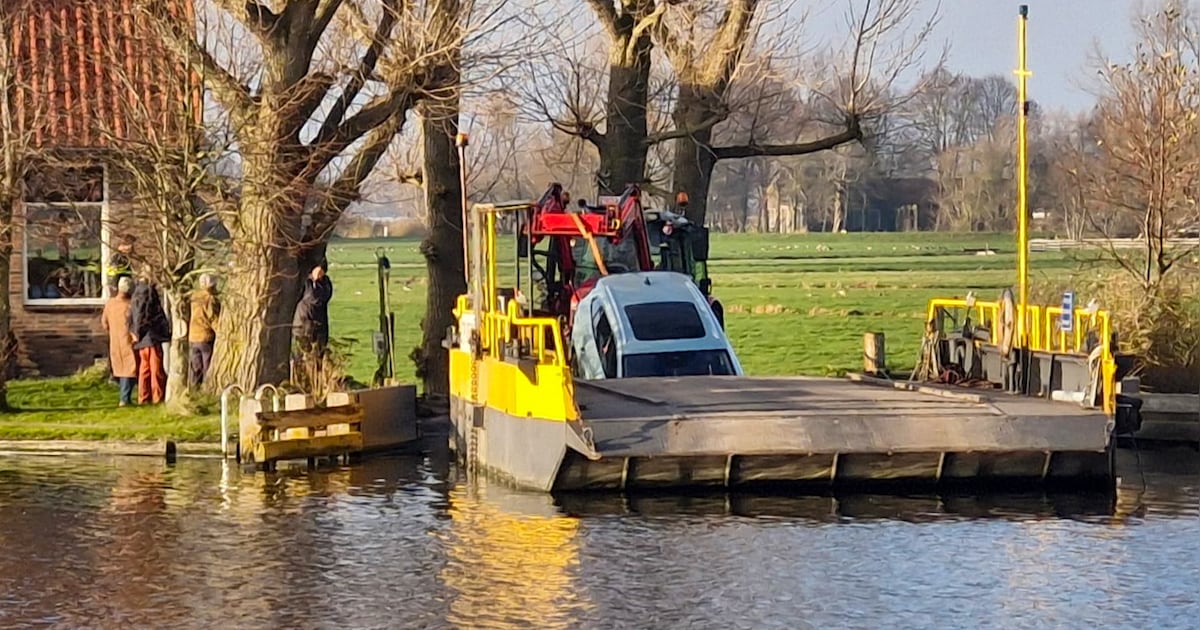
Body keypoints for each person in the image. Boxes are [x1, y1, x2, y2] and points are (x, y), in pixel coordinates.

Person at [127, 278, 171, 404]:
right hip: (150, 336)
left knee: (144, 369)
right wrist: (138, 331)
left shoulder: (136, 292)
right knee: (155, 368)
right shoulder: (148, 292)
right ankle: (157, 396)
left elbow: (133, 315)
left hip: (143, 338)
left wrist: (135, 332)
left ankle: (143, 397)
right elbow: (141, 314)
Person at [101, 277, 138, 406]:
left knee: (120, 367)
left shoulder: (110, 304)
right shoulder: (129, 305)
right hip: (127, 339)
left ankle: (124, 396)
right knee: (129, 368)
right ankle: (125, 398)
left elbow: (104, 323)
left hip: (114, 340)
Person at [292, 261, 333, 357]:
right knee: (303, 357)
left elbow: (322, 297)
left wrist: (317, 281)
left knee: (318, 358)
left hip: (320, 327)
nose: (319, 274)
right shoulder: (304, 283)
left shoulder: (325, 283)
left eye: (322, 271)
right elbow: (312, 298)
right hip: (302, 326)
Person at [187, 273, 221, 387]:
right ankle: (207, 387)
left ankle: (194, 388)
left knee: (196, 365)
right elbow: (212, 317)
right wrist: (220, 331)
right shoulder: (210, 299)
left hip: (193, 336)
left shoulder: (194, 297)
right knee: (207, 364)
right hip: (206, 335)